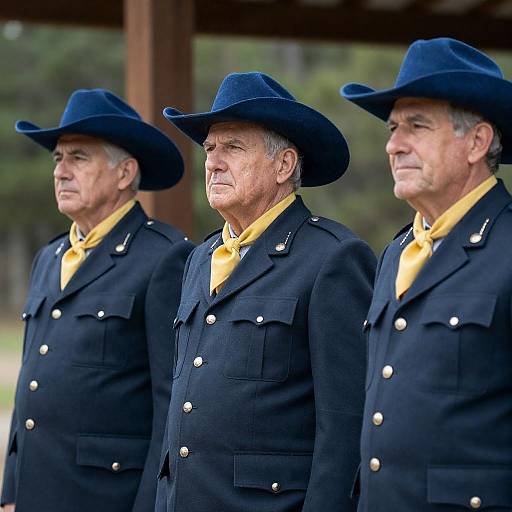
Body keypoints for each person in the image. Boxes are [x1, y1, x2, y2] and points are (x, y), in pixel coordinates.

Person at [155, 71, 376, 512]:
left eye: (233, 147)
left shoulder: (332, 258)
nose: (214, 162)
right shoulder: (201, 258)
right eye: (210, 149)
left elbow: (345, 429)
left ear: (284, 165)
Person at [1, 88, 194, 512]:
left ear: (125, 174)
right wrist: (12, 491)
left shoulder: (164, 257)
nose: (60, 171)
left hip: (108, 499)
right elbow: (29, 387)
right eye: (58, 158)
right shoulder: (48, 258)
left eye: (79, 158)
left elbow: (171, 406)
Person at [341, 37, 512, 511]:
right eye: (393, 128)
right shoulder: (397, 252)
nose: (394, 145)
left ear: (477, 141)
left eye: (417, 125)